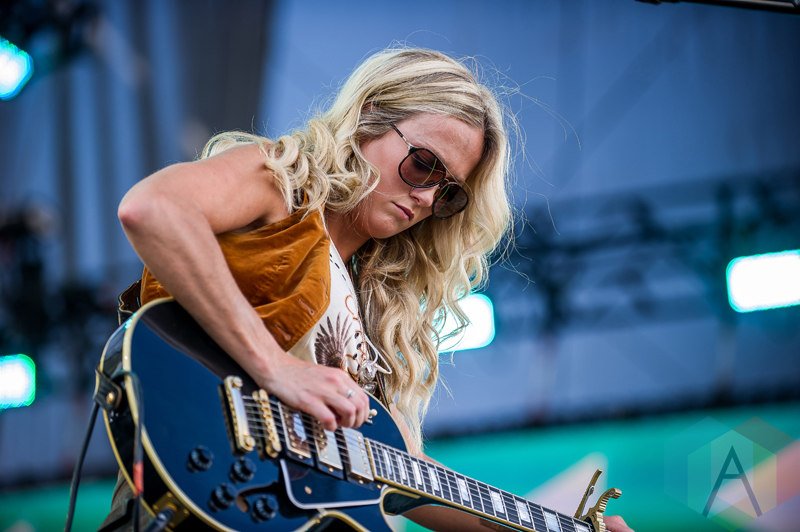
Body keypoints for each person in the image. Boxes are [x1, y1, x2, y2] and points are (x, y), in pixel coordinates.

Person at [101, 47, 633, 532]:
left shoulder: (374, 301)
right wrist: (277, 367)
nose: (427, 198)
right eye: (423, 164)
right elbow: (152, 208)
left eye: (448, 193)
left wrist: (560, 528)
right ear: (369, 117)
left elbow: (403, 475)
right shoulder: (280, 182)